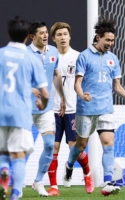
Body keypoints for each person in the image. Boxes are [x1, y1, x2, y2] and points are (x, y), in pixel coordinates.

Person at [65, 17, 125, 196]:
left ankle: (107, 182)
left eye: (112, 40)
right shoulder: (84, 56)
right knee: (81, 146)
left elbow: (116, 86)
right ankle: (69, 164)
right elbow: (77, 83)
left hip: (106, 108)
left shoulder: (113, 59)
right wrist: (82, 94)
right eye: (107, 40)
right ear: (97, 37)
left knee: (108, 143)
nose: (110, 43)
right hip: (86, 109)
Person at [0, 16, 49, 200]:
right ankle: (15, 193)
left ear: (8, 34)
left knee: (2, 152)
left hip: (0, 111)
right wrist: (42, 104)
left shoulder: (1, 54)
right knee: (18, 155)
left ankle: (3, 170)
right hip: (20, 113)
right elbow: (45, 94)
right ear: (28, 37)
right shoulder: (31, 59)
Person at [47, 22, 90, 196]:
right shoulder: (49, 57)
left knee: (76, 147)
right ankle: (53, 186)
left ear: (70, 36)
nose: (63, 37)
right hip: (52, 110)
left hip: (74, 109)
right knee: (52, 147)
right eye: (59, 35)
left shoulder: (79, 57)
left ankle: (87, 174)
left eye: (65, 34)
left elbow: (86, 82)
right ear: (53, 38)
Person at [28, 20, 66, 197]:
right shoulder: (25, 54)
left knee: (50, 145)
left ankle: (38, 181)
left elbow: (56, 75)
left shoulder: (52, 52)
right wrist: (32, 89)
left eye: (45, 32)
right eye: (41, 33)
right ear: (31, 36)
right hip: (25, 108)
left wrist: (62, 98)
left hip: (46, 108)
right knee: (21, 147)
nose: (45, 36)